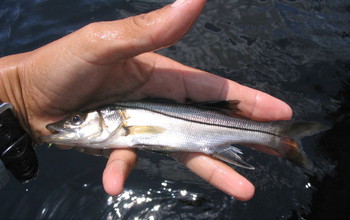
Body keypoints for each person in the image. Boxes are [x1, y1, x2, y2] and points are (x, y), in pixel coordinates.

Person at [0, 0, 292, 201]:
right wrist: (17, 95)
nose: (68, 125)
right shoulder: (116, 122)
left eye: (76, 120)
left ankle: (276, 137)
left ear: (112, 118)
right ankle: (273, 137)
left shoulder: (123, 121)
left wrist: (19, 92)